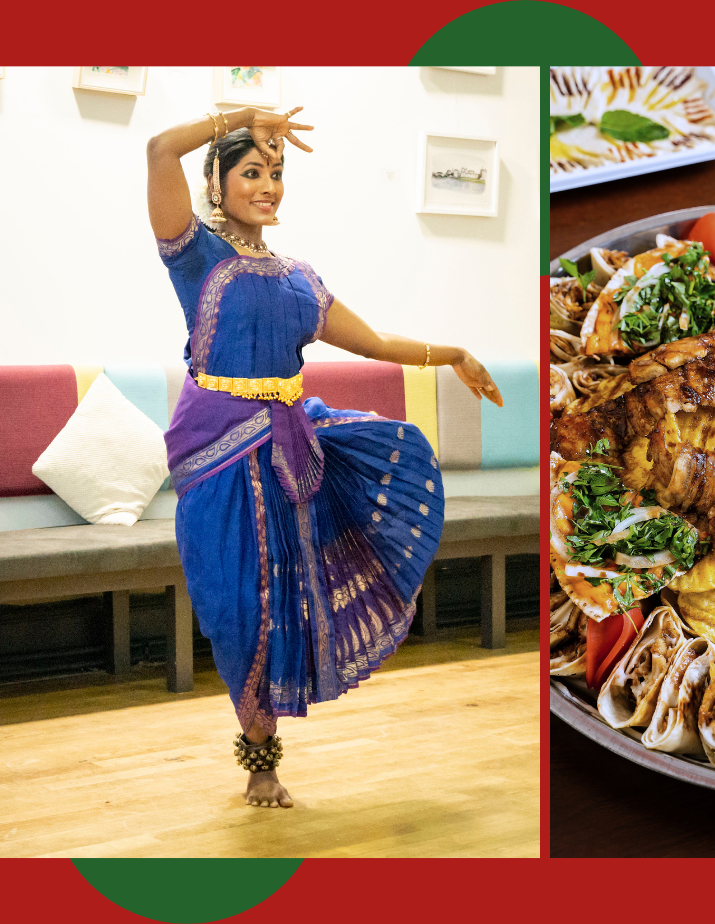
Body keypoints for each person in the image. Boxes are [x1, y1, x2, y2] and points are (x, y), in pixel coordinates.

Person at [147, 106, 504, 808]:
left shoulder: (299, 279)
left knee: (279, 603)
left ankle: (264, 763)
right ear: (217, 182)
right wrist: (239, 117)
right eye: (252, 171)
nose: (269, 186)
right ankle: (257, 750)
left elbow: (373, 343)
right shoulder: (194, 256)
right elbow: (160, 149)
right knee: (236, 611)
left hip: (286, 450)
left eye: (277, 173)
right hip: (217, 453)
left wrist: (453, 353)